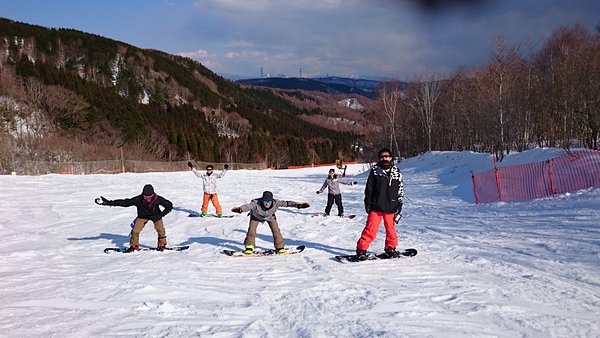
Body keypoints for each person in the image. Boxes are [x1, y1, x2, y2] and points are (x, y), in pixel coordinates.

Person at [356, 148, 404, 260]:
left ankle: (390, 248)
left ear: (391, 158)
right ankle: (361, 249)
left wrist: (400, 203)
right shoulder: (375, 171)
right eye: (382, 156)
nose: (384, 158)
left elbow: (400, 189)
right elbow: (369, 188)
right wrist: (367, 203)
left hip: (391, 207)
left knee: (391, 230)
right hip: (376, 206)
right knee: (370, 230)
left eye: (386, 156)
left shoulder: (397, 172)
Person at [95, 184, 173, 252]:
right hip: (142, 216)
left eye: (149, 196)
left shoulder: (158, 199)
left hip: (156, 216)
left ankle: (161, 244)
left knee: (161, 230)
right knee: (135, 231)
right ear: (143, 195)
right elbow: (125, 202)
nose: (147, 199)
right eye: (146, 197)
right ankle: (134, 246)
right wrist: (107, 202)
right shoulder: (138, 199)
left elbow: (169, 205)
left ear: (153, 194)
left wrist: (161, 215)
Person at [231, 191, 310, 255]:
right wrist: (240, 209)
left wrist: (298, 205)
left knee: (276, 231)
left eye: (269, 202)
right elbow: (248, 206)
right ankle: (249, 247)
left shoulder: (276, 202)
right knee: (252, 230)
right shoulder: (256, 203)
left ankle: (280, 247)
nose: (267, 204)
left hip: (270, 217)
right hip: (256, 216)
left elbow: (287, 203)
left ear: (272, 201)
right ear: (262, 200)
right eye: (265, 201)